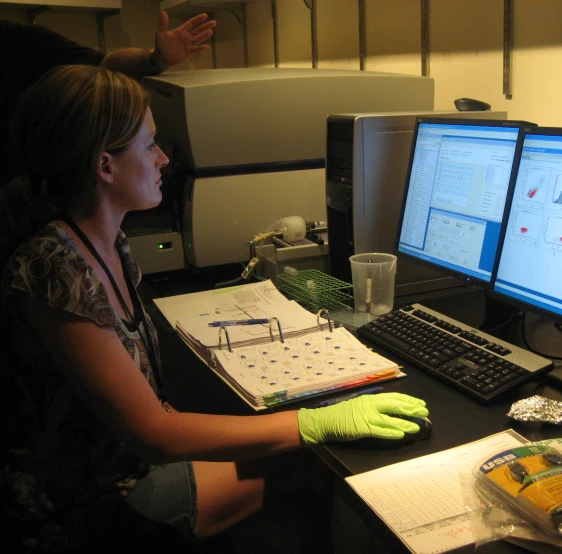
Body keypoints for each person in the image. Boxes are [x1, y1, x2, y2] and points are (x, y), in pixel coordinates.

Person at [0, 64, 430, 552]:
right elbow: (155, 435)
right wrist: (316, 421)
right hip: (80, 506)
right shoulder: (55, 269)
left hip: (117, 466)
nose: (163, 158)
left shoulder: (103, 242)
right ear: (104, 166)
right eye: (149, 145)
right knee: (314, 460)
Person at [0, 10, 217, 184]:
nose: (163, 160)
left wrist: (156, 58)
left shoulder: (19, 41)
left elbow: (105, 64)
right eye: (149, 145)